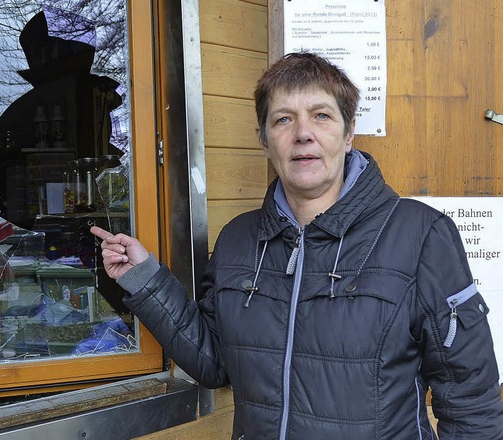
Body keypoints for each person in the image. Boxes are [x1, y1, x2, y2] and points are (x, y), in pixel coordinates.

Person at [91, 52, 503, 439]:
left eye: (321, 116)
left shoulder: (420, 234)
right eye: (283, 119)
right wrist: (145, 279)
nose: (303, 134)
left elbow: (469, 395)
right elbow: (216, 363)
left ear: (348, 132)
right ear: (264, 139)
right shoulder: (239, 239)